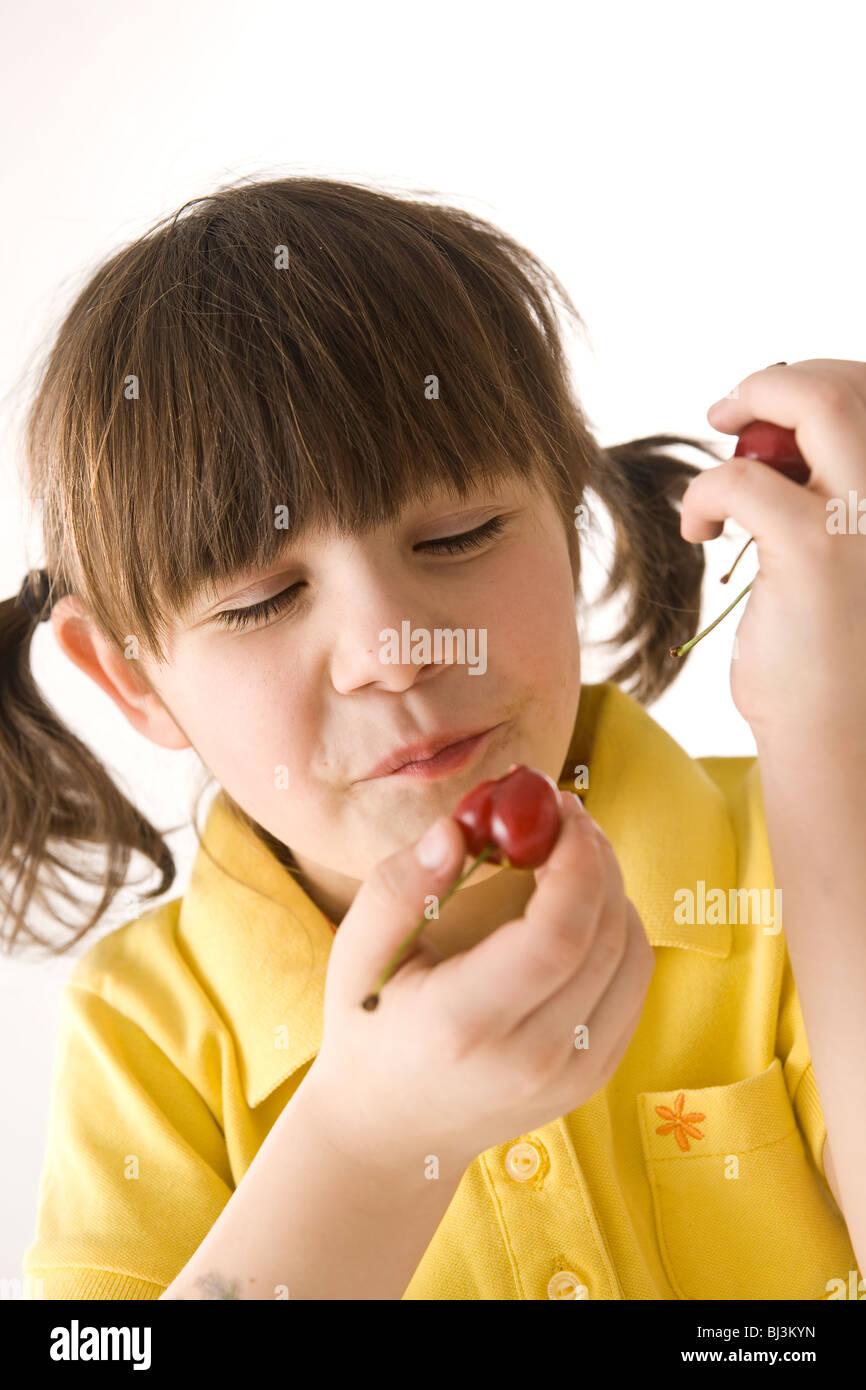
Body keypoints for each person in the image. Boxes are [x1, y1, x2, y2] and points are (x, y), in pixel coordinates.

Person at [5, 175, 858, 1300]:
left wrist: (829, 739)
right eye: (263, 598)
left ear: (565, 519)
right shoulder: (151, 1033)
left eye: (459, 533)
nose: (393, 648)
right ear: (129, 680)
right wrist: (364, 1143)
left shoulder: (804, 840)